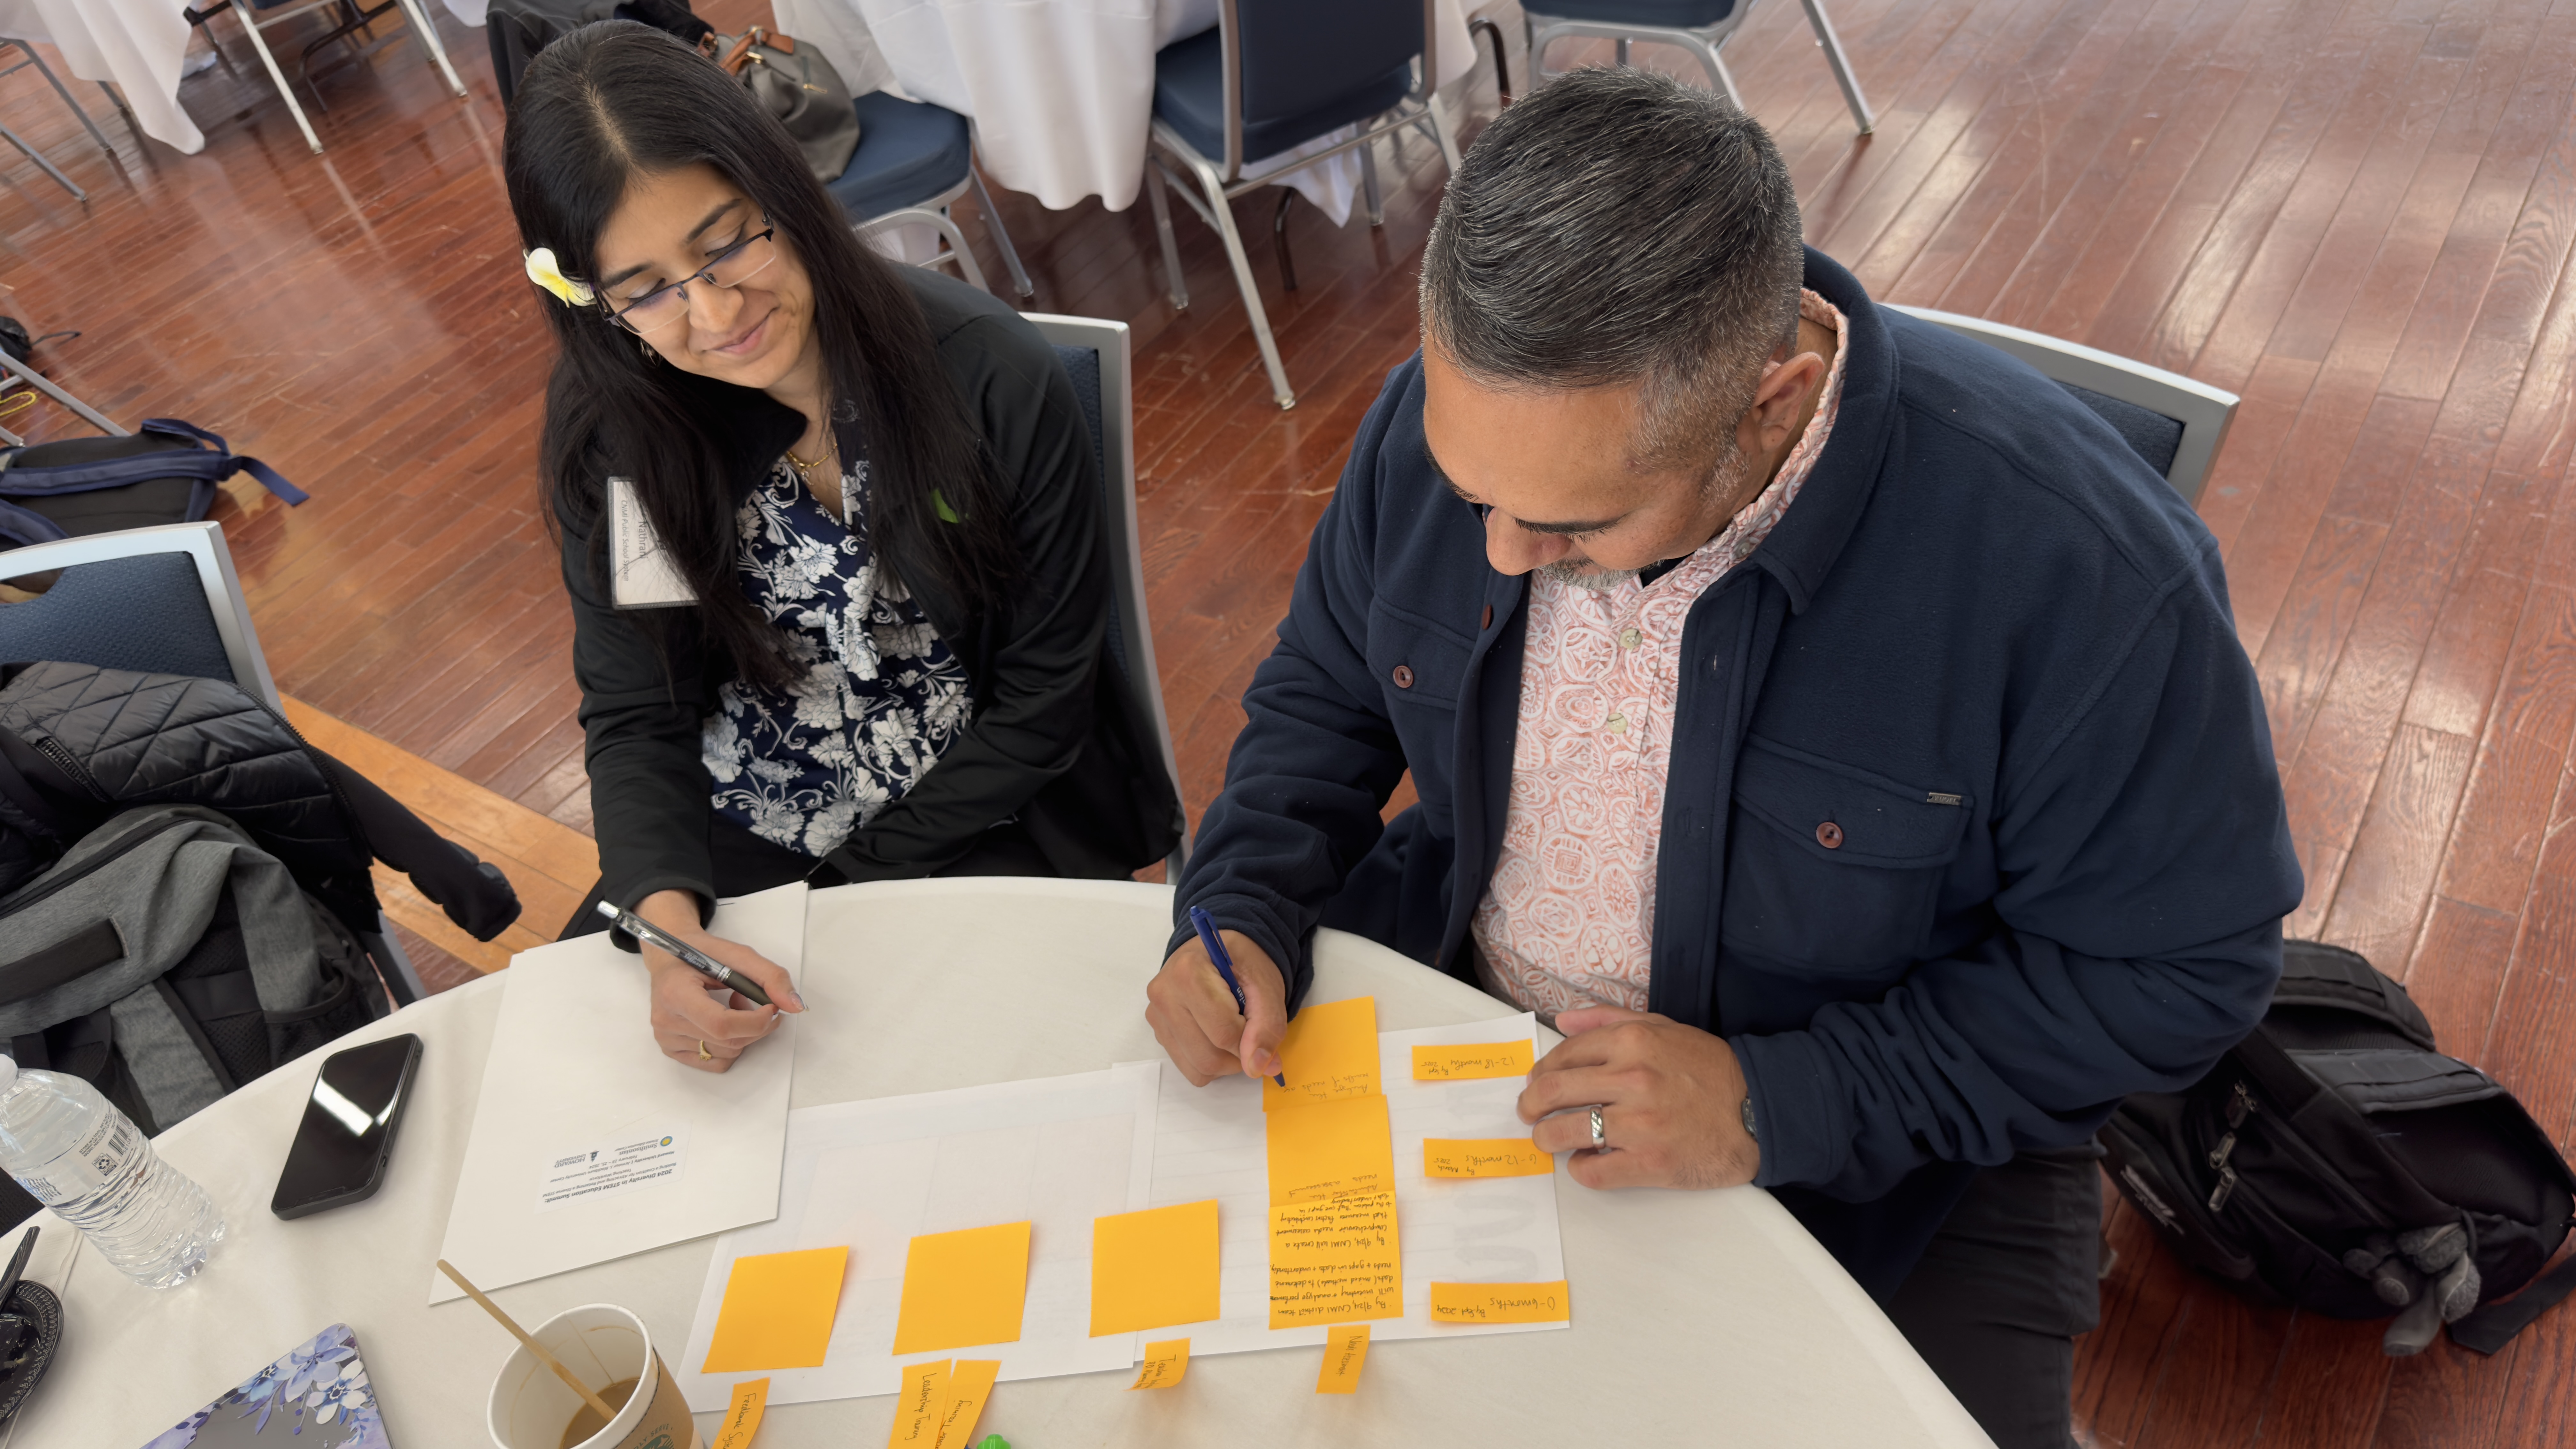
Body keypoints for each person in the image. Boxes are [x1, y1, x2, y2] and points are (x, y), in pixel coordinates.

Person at [1143, 68, 2301, 1448]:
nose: (1504, 554)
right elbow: (1327, 691)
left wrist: (1777, 1102)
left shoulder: (2080, 574)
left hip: (1891, 1141)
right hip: (1455, 1006)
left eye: (1576, 523)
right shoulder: (1453, 430)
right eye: (1476, 499)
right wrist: (1247, 908)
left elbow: (2181, 972)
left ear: (1773, 400)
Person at [506, 21, 1181, 1075]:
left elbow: (1045, 700)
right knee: (596, 1088)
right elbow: (641, 708)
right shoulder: (622, 436)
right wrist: (670, 932)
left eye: (729, 240)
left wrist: (835, 899)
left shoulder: (984, 376)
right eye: (645, 290)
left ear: (783, 188)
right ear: (593, 300)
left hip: (979, 802)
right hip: (751, 811)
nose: (716, 310)